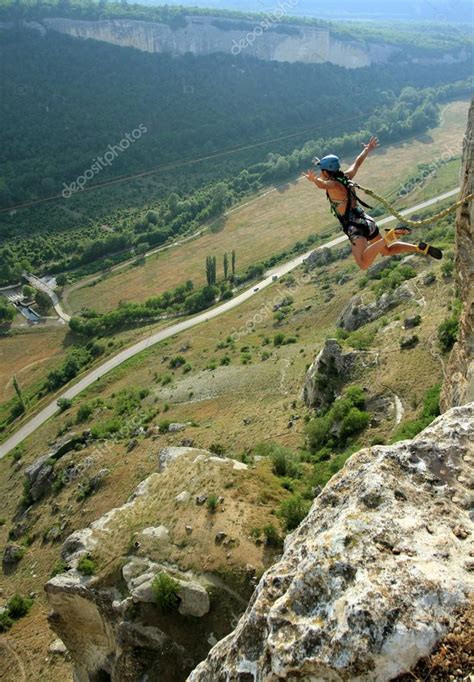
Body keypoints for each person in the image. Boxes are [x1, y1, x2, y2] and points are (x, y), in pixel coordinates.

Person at [304, 137, 442, 270]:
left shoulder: (333, 184)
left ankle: (391, 236)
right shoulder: (347, 177)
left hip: (355, 227)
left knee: (363, 264)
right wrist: (367, 149)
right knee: (387, 251)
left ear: (325, 172)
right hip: (366, 220)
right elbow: (357, 163)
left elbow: (323, 185)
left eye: (321, 171)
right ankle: (419, 248)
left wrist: (314, 180)